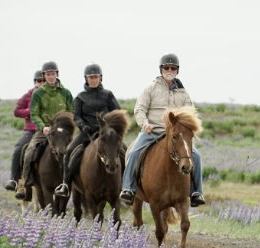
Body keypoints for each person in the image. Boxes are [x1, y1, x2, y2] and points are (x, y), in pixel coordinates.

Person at [120, 53, 205, 207]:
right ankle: (128, 189)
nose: (170, 70)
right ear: (161, 69)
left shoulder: (183, 93)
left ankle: (196, 192)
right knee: (133, 153)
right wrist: (145, 124)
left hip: (175, 135)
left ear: (177, 70)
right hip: (152, 131)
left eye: (173, 68)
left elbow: (191, 113)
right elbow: (139, 109)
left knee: (196, 156)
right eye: (167, 67)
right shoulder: (151, 88)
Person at [54, 62, 122, 197]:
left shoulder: (108, 95)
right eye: (91, 77)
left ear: (100, 78)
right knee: (69, 153)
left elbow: (117, 112)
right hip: (86, 132)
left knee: (125, 153)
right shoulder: (80, 97)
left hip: (106, 133)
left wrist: (109, 126)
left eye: (96, 77)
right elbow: (76, 116)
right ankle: (66, 184)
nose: (94, 80)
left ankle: (126, 187)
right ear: (86, 79)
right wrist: (83, 126)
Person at [19, 61, 74, 200]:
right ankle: (26, 183)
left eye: (53, 74)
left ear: (57, 74)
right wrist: (43, 126)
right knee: (29, 152)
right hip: (44, 131)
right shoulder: (38, 94)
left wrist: (67, 127)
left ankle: (77, 184)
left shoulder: (66, 93)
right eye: (48, 74)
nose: (51, 77)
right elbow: (34, 114)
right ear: (44, 76)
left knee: (77, 151)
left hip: (62, 133)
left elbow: (72, 112)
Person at [4, 70, 44, 197]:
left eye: (43, 81)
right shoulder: (28, 96)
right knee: (19, 149)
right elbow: (17, 111)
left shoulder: (51, 95)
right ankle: (14, 180)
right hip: (32, 130)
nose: (41, 83)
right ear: (35, 82)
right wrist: (30, 111)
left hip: (48, 130)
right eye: (39, 81)